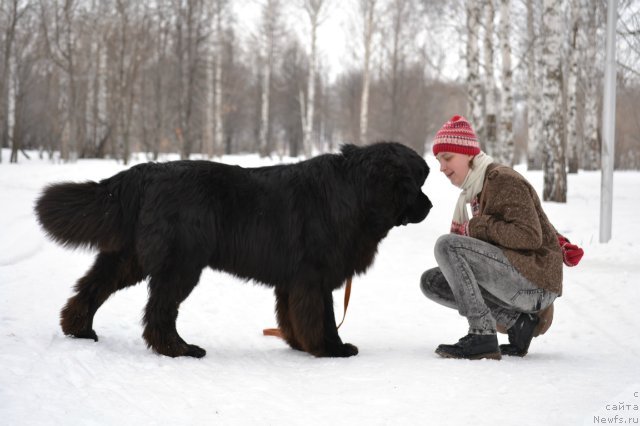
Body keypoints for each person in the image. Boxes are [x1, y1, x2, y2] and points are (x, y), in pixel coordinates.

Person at [420, 115, 583, 360]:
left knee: (447, 246)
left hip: (535, 286)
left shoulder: (501, 180)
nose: (441, 167)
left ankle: (481, 335)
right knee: (432, 281)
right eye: (439, 160)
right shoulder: (477, 190)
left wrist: (476, 227)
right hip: (519, 282)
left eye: (447, 158)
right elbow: (533, 222)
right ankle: (518, 324)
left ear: (468, 154)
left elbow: (529, 236)